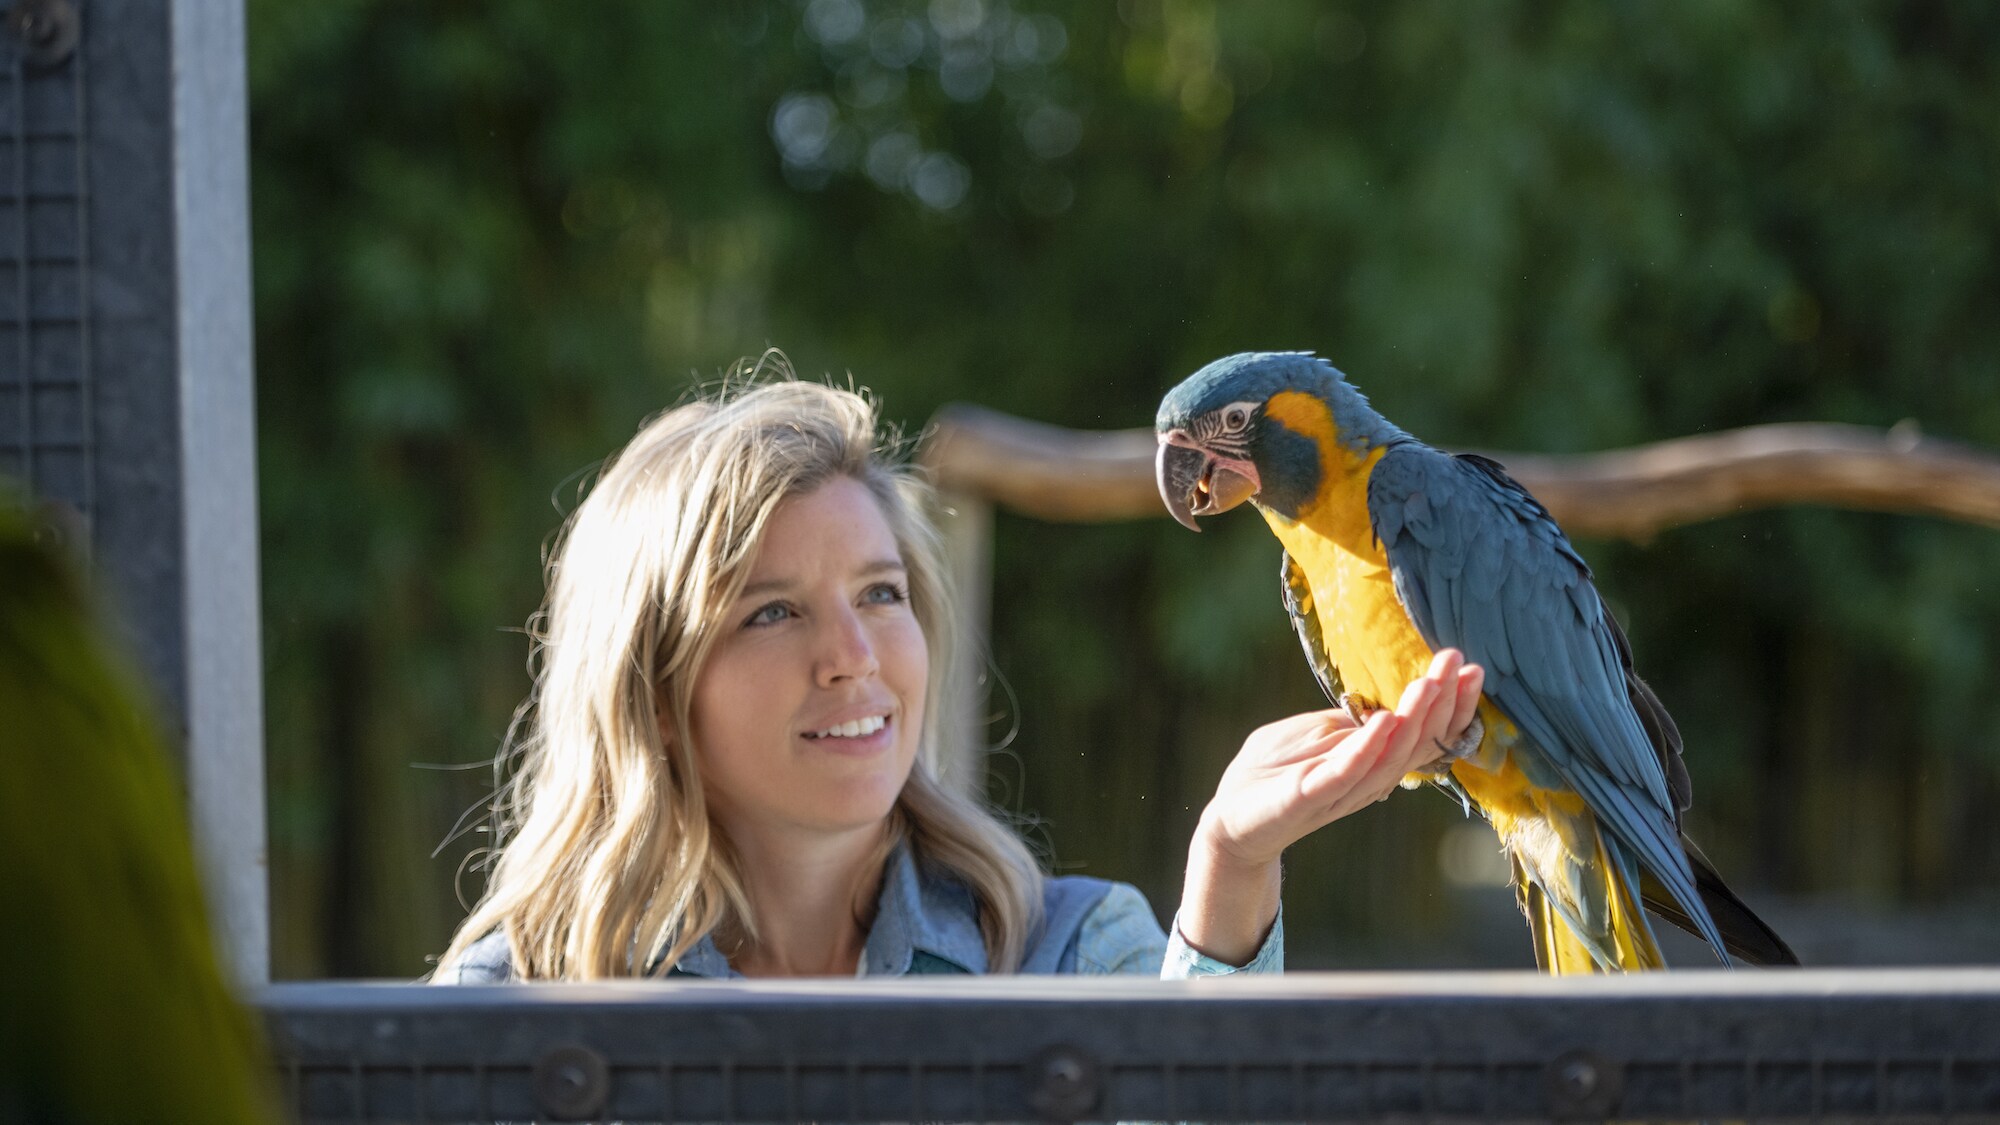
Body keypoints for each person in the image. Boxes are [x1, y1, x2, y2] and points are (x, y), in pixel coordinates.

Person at [433, 377, 1482, 983]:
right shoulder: (509, 1001)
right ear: (653, 690)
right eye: (772, 611)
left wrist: (1231, 867)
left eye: (880, 594)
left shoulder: (1071, 956)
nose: (853, 654)